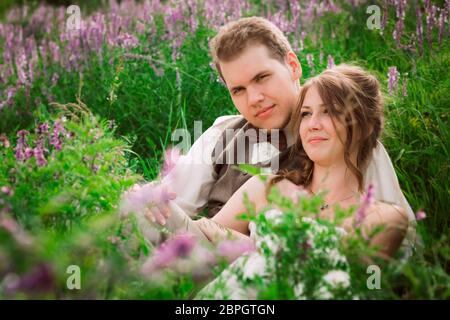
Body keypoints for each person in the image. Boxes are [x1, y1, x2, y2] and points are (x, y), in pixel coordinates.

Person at [128, 17, 416, 255]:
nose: (254, 98)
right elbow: (173, 201)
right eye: (237, 90)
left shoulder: (348, 142)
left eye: (261, 78)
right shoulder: (222, 134)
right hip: (214, 262)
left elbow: (403, 245)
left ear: (292, 66)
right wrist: (145, 198)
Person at [193, 64, 410, 299]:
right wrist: (162, 210)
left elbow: (329, 285)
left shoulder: (384, 219)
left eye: (330, 111)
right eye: (306, 113)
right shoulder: (266, 187)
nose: (313, 124)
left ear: (365, 127)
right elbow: (197, 244)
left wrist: (242, 244)